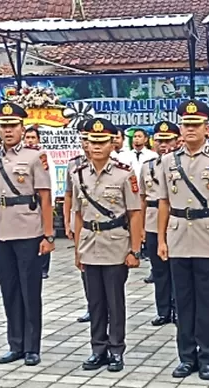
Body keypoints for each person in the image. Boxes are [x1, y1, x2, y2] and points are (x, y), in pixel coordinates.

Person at [156, 100, 209, 381]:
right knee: (183, 300)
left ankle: (206, 356)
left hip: (208, 233)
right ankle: (185, 356)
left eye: (195, 125)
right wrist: (161, 239)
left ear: (207, 128)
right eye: (186, 125)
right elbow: (164, 202)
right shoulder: (168, 161)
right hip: (178, 234)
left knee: (206, 299)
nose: (190, 129)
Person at [0, 102, 55, 367]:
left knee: (30, 290)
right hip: (1, 230)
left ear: (22, 128)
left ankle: (32, 347)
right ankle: (15, 344)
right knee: (9, 290)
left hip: (28, 229)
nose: (8, 130)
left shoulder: (35, 157)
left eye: (13, 125)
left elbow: (46, 198)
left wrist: (48, 235)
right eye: (4, 126)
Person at [73, 118, 142, 372]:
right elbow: (78, 214)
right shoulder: (78, 174)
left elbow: (135, 213)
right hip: (90, 243)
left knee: (115, 300)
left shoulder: (124, 174)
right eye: (93, 142)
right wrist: (77, 249)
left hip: (115, 244)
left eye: (103, 142)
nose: (97, 146)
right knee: (95, 302)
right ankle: (97, 348)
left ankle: (116, 349)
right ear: (87, 145)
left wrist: (135, 250)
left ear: (112, 144)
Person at [141, 120, 179, 326]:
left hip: (176, 220)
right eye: (159, 140)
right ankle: (163, 310)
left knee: (177, 269)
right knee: (159, 270)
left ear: (177, 141)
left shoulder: (180, 164)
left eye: (168, 140)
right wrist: (139, 231)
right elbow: (142, 198)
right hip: (153, 221)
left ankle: (178, 309)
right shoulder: (147, 167)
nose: (163, 145)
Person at [65, 120, 93, 323]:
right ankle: (91, 306)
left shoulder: (117, 164)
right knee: (84, 267)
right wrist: (67, 221)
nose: (86, 143)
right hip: (80, 219)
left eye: (89, 138)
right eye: (83, 139)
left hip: (108, 225)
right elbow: (68, 195)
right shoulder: (74, 164)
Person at [25, 126, 51, 277]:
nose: (30, 141)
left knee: (44, 232)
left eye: (32, 138)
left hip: (41, 200)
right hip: (27, 202)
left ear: (38, 139)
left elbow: (48, 182)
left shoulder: (42, 157)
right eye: (27, 138)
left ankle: (44, 267)